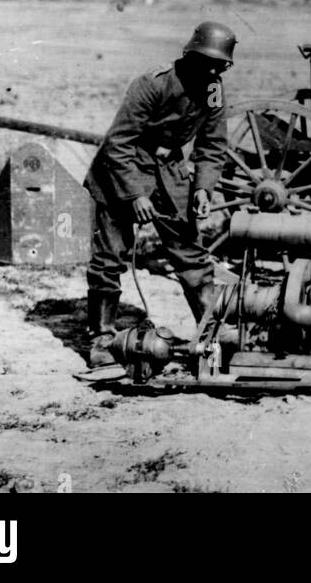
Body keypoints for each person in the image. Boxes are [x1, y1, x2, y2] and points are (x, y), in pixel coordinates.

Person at [83, 21, 235, 366]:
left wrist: (203, 189)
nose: (212, 71)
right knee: (108, 259)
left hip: (169, 174)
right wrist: (135, 194)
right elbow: (117, 143)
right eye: (205, 62)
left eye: (219, 65)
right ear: (189, 54)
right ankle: (103, 339)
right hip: (121, 172)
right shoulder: (153, 84)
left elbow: (213, 145)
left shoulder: (214, 89)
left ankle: (211, 331)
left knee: (191, 256)